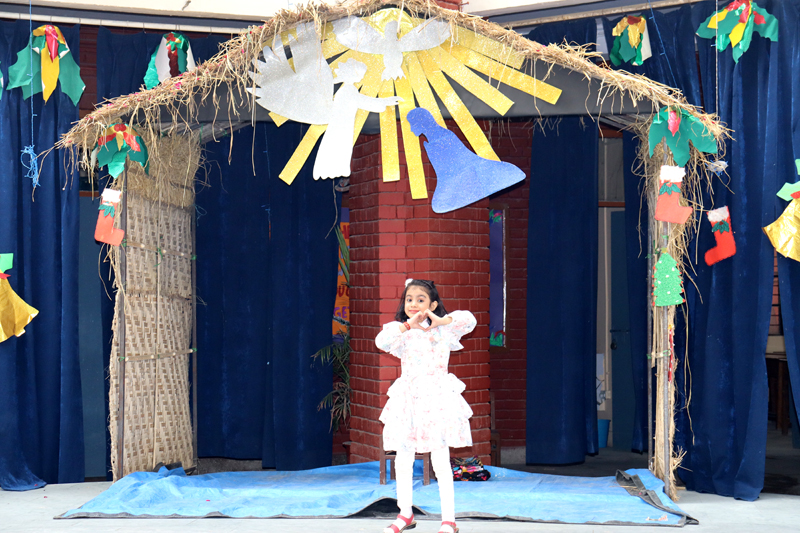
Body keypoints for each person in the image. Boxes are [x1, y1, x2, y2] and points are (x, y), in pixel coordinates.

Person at [376, 279, 476, 533]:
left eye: (420, 299)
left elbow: (469, 320)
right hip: (408, 400)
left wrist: (442, 321)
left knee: (440, 461)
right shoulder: (401, 331)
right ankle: (405, 514)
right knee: (403, 459)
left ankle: (448, 520)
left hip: (437, 400)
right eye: (409, 299)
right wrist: (407, 325)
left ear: (432, 304)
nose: (413, 304)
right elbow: (381, 341)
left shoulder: (445, 329)